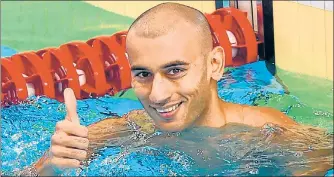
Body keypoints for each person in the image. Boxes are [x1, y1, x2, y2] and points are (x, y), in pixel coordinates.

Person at [18, 2, 300, 176]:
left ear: (215, 64)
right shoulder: (126, 131)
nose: (157, 95)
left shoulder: (273, 134)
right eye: (143, 74)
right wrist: (52, 167)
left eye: (175, 70)